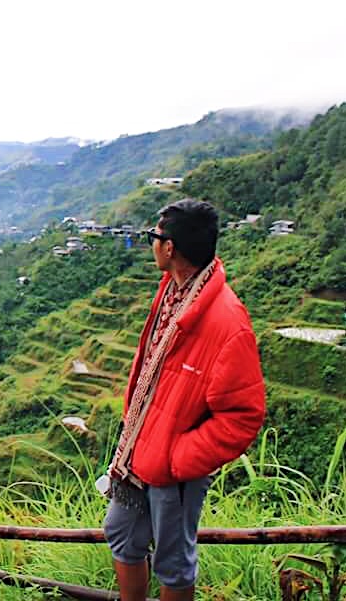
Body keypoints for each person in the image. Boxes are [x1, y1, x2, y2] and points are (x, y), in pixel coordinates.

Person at [102, 198, 266, 600]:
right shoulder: (173, 293)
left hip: (173, 467)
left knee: (172, 563)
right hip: (137, 451)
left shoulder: (227, 321)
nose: (152, 244)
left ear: (170, 247)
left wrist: (177, 458)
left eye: (154, 237)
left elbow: (243, 416)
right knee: (121, 533)